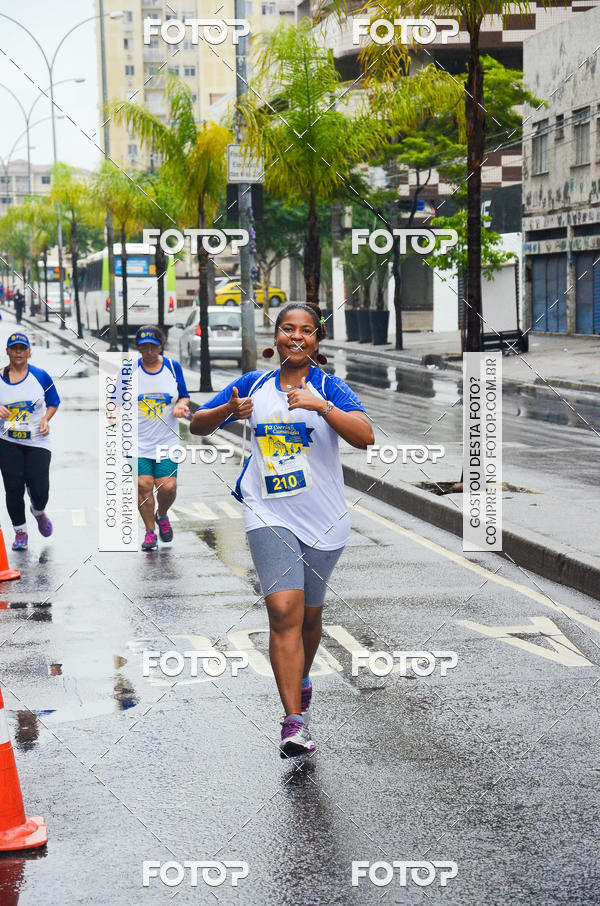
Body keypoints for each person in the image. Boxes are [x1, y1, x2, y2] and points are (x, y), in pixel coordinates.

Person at [190, 302, 374, 758]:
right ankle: (294, 722)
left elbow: (366, 436)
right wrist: (227, 412)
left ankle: (302, 678)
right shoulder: (253, 385)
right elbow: (196, 424)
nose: (297, 337)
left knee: (310, 616)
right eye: (288, 329)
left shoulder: (331, 387)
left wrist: (322, 406)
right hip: (267, 511)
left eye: (306, 331)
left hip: (324, 519)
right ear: (275, 338)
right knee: (283, 610)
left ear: (317, 340)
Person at [0, 332, 60, 551]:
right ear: (7, 351)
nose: (18, 352)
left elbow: (53, 402)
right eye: (14, 348)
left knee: (40, 488)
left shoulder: (40, 376)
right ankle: (20, 532)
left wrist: (45, 419)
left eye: (22, 349)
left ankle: (38, 511)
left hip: (37, 441)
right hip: (7, 441)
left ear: (28, 352)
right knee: (13, 488)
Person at [135, 325, 190, 552]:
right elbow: (114, 401)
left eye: (153, 346)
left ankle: (163, 515)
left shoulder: (172, 367)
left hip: (166, 441)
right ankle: (150, 532)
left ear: (161, 345)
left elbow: (185, 397)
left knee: (167, 487)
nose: (149, 351)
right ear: (138, 347)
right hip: (137, 440)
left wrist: (180, 406)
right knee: (143, 485)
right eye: (144, 346)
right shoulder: (128, 372)